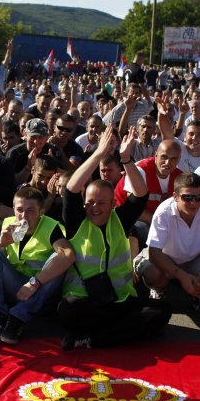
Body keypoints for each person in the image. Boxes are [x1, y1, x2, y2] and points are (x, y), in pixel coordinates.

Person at [55, 126, 172, 350]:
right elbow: (71, 189)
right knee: (66, 310)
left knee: (161, 310)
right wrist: (98, 154)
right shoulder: (77, 222)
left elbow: (141, 194)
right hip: (84, 300)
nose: (95, 208)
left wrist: (126, 159)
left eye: (101, 203)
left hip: (120, 299)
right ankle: (118, 334)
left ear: (112, 204)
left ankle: (92, 339)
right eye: (90, 202)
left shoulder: (120, 219)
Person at [0, 187, 74, 344]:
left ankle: (19, 316)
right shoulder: (6, 224)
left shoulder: (51, 227)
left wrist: (35, 282)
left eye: (30, 210)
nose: (24, 216)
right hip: (16, 289)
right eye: (19, 210)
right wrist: (0, 243)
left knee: (58, 258)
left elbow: (68, 255)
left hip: (40, 293)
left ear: (41, 211)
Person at [134, 173, 200, 314]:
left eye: (199, 198)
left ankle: (197, 291)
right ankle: (159, 290)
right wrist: (182, 276)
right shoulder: (163, 212)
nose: (193, 203)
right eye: (187, 197)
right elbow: (154, 253)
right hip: (166, 258)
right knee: (152, 274)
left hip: (196, 259)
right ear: (175, 196)